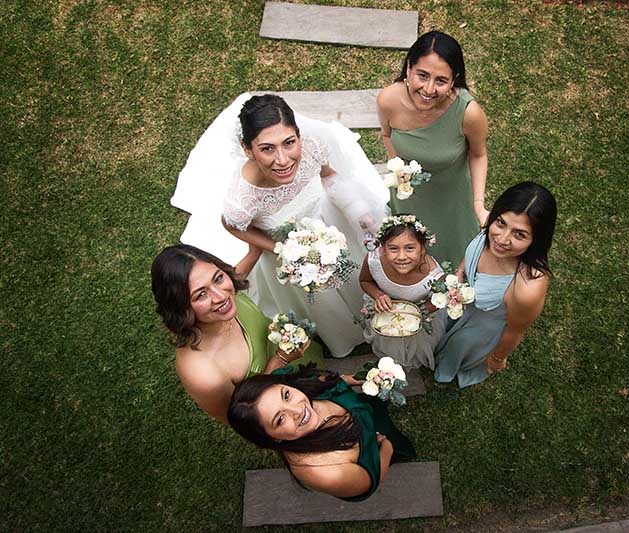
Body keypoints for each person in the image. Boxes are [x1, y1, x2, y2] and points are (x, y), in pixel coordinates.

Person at [170, 92, 389, 358]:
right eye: (267, 149)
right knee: (324, 300)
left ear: (299, 135)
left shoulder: (313, 147)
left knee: (356, 271)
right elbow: (233, 225)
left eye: (289, 142)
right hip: (291, 252)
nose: (283, 160)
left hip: (331, 227)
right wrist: (279, 249)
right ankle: (346, 335)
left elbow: (328, 175)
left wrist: (358, 212)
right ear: (247, 149)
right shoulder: (241, 200)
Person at [151, 244, 324, 425]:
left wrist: (254, 249)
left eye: (218, 278)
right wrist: (280, 360)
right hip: (290, 416)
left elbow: (236, 275)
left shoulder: (227, 294)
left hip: (303, 366)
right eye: (201, 295)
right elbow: (244, 422)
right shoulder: (204, 374)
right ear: (181, 307)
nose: (221, 296)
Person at [377, 30, 489, 266]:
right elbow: (387, 135)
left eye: (440, 80)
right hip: (408, 198)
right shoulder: (388, 100)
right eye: (422, 75)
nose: (428, 90)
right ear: (409, 68)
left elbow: (478, 155)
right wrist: (399, 170)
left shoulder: (468, 113)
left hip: (451, 200)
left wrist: (478, 205)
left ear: (453, 79)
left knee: (452, 257)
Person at [434, 182, 557, 388]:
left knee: (456, 346)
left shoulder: (528, 288)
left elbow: (515, 331)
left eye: (519, 234)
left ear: (536, 239)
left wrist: (497, 359)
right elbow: (473, 249)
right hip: (460, 305)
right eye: (500, 223)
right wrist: (460, 273)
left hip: (481, 328)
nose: (501, 239)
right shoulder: (491, 228)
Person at [228, 367, 415, 501]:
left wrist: (354, 379)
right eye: (280, 419)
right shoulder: (326, 472)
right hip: (375, 446)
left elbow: (325, 380)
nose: (297, 409)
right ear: (273, 438)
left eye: (286, 396)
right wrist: (387, 449)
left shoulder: (293, 386)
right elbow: (367, 483)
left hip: (367, 411)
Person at [359, 215, 445, 369]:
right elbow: (365, 281)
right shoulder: (373, 261)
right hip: (385, 312)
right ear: (382, 247)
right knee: (388, 342)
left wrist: (416, 313)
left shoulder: (434, 275)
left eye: (410, 248)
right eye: (393, 249)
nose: (402, 257)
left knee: (417, 347)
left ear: (423, 248)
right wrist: (378, 295)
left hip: (417, 315)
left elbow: (440, 299)